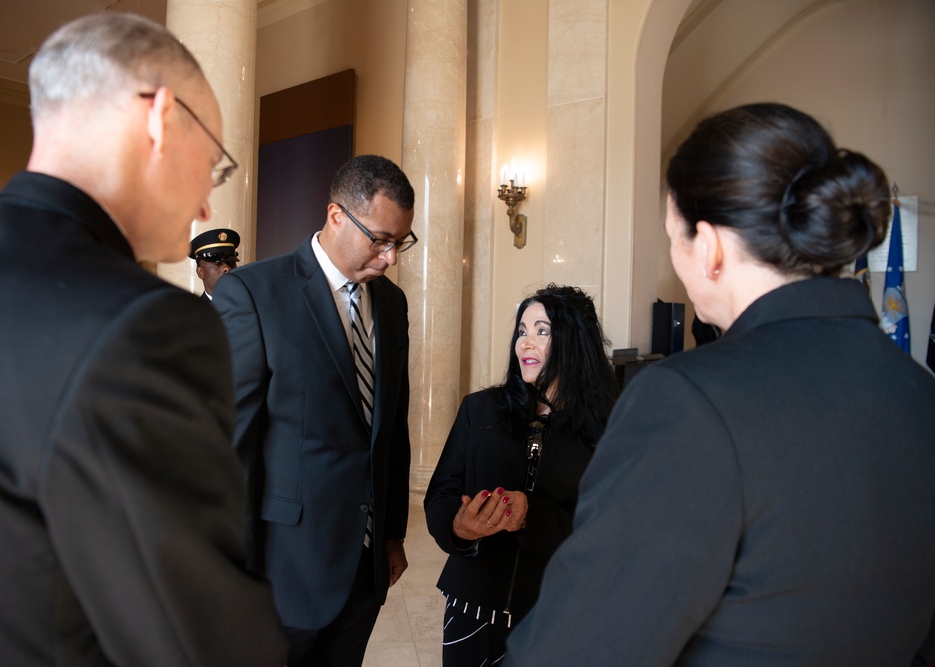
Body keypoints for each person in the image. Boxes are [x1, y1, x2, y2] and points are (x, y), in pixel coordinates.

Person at [505, 102, 935, 665]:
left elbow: (575, 650)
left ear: (707, 247)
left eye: (672, 239)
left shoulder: (685, 401)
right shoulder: (917, 390)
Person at [0, 13, 288, 666]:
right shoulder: (145, 326)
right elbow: (196, 643)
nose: (207, 206)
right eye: (215, 162)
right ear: (158, 117)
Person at [213, 154, 416, 666]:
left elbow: (390, 429)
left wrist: (391, 533)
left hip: (365, 570)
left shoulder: (391, 306)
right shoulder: (253, 294)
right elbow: (229, 443)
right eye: (381, 240)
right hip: (283, 571)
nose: (391, 258)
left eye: (401, 242)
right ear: (335, 216)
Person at [425, 284, 620, 665]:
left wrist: (532, 517)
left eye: (542, 331)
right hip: (473, 610)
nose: (525, 343)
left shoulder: (610, 426)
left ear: (574, 340)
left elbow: (613, 529)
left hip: (558, 616)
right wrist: (459, 529)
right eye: (522, 331)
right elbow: (442, 493)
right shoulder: (479, 411)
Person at [190, 227, 240, 299]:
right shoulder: (194, 310)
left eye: (230, 261)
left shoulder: (250, 307)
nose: (227, 268)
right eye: (217, 263)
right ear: (200, 272)